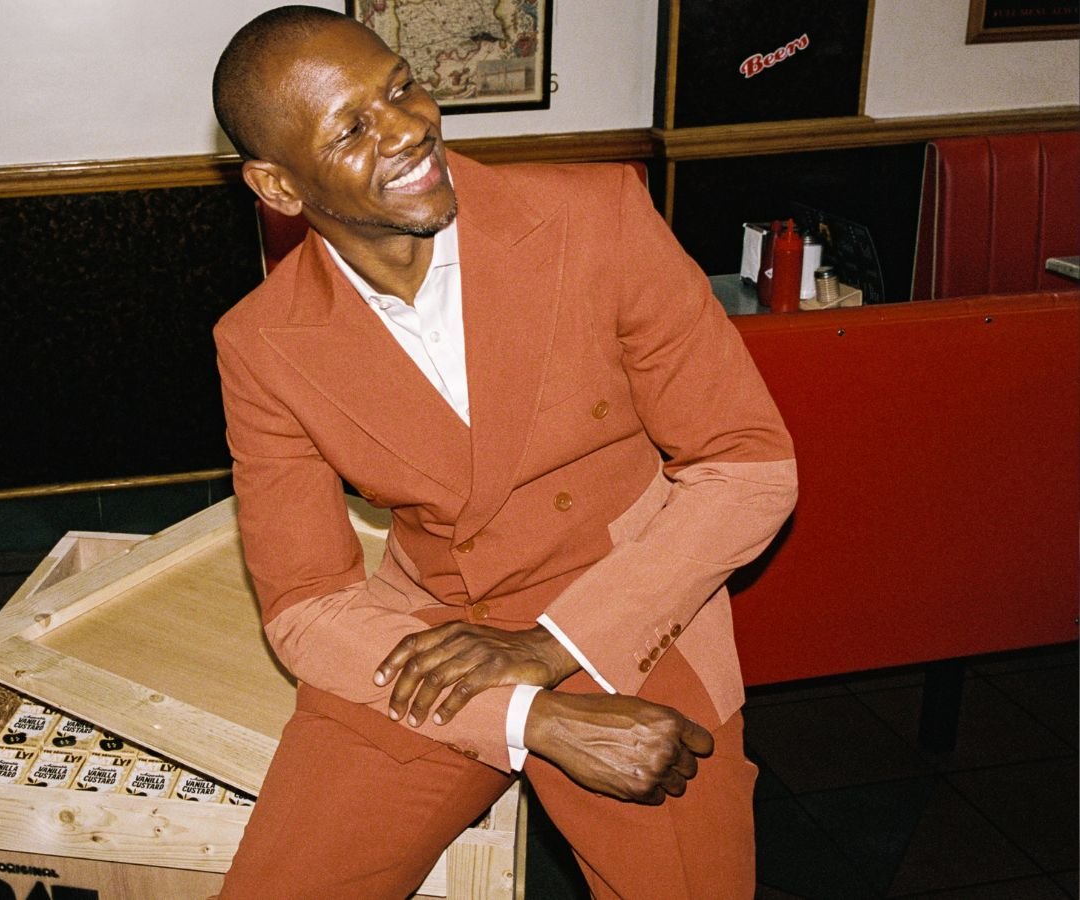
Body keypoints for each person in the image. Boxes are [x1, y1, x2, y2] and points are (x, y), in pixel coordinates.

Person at [210, 7, 797, 898]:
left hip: (631, 609)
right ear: (278, 187)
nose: (410, 128)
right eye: (354, 128)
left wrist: (554, 646)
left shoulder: (595, 217)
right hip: (432, 635)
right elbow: (305, 605)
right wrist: (535, 717)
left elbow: (750, 466)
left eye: (401, 86)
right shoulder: (261, 342)